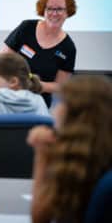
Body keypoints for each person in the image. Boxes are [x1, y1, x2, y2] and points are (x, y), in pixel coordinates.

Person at [27, 75, 112, 223]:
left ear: (76, 114)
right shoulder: (89, 155)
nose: (55, 110)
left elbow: (39, 218)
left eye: (61, 102)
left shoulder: (79, 162)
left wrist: (42, 155)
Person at [2, 0, 77, 108]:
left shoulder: (68, 48)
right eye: (50, 8)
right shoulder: (26, 27)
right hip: (9, 97)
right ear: (43, 9)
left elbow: (60, 86)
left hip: (38, 105)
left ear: (68, 12)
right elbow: (2, 61)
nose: (54, 13)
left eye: (59, 9)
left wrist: (36, 85)